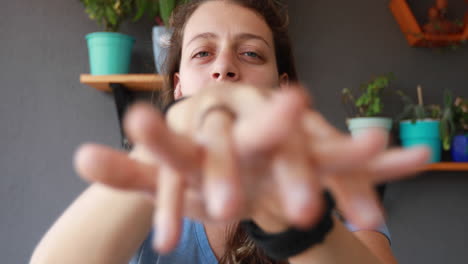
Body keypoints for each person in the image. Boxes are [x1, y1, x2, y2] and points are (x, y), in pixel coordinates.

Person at [30, 0, 430, 263]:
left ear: (282, 87)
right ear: (179, 84)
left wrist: (288, 219)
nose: (223, 67)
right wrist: (177, 132)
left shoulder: (333, 186)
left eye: (251, 53)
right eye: (202, 53)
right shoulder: (149, 187)